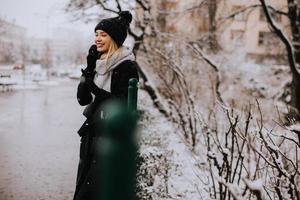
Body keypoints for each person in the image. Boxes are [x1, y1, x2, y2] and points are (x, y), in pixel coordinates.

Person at [73, 10, 139, 200]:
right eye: (96, 35)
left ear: (115, 38)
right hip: (91, 134)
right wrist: (88, 68)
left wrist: (93, 86)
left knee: (98, 192)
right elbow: (82, 99)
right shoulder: (98, 63)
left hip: (110, 137)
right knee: (84, 190)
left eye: (103, 35)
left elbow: (121, 103)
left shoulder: (127, 66)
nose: (98, 39)